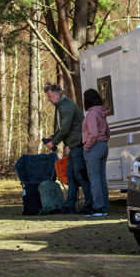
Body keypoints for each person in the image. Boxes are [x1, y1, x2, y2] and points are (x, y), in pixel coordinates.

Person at [43, 83, 93, 214]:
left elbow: (65, 128)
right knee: (71, 175)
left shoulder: (66, 106)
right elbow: (63, 127)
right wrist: (52, 136)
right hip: (74, 147)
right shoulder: (62, 106)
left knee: (81, 175)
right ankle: (70, 205)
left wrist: (53, 142)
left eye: (49, 97)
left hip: (78, 145)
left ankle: (89, 204)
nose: (48, 99)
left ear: (56, 95)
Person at [81, 88, 110, 217]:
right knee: (102, 178)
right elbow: (108, 132)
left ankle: (97, 207)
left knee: (94, 179)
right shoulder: (102, 112)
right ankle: (104, 207)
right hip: (103, 145)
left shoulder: (91, 114)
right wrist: (104, 142)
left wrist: (87, 146)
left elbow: (93, 133)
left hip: (94, 146)